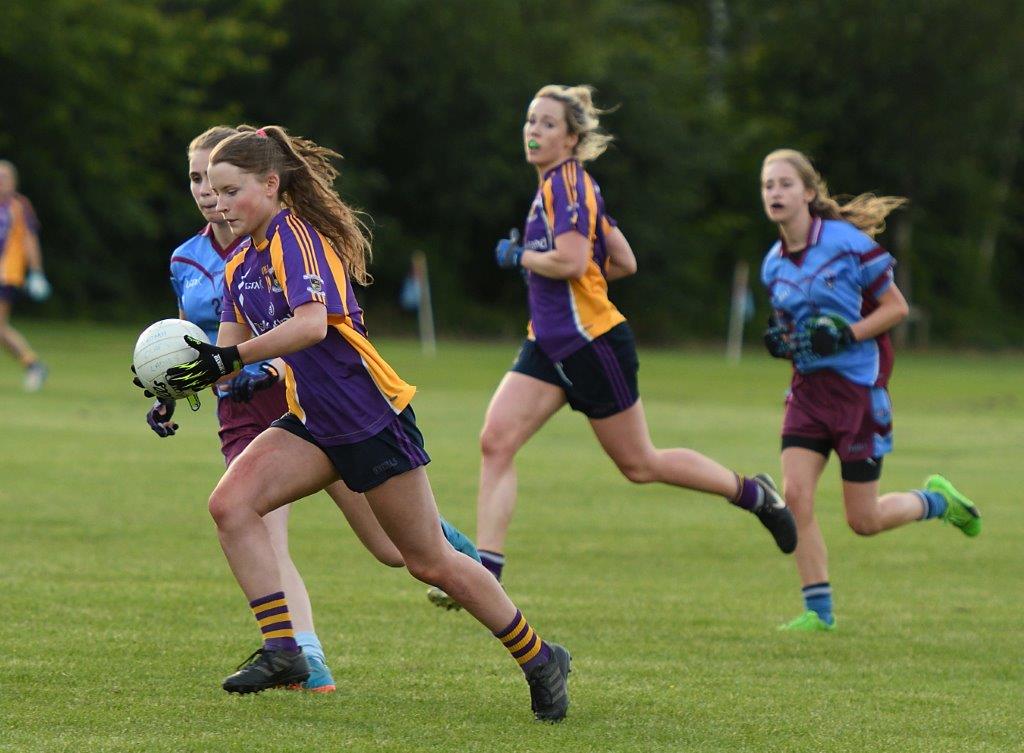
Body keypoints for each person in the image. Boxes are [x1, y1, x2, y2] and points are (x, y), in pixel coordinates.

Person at [157, 125, 571, 721]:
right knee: (231, 505)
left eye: (231, 190)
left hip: (367, 415)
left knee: (426, 560)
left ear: (271, 186)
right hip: (312, 422)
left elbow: (311, 326)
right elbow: (222, 357)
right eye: (211, 191)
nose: (219, 203)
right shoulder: (241, 263)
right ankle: (284, 650)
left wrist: (235, 359)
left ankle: (539, 657)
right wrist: (175, 384)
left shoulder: (294, 238)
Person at [469, 85, 797, 590]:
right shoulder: (560, 187)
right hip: (549, 344)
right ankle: (486, 572)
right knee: (496, 441)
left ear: (572, 138)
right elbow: (622, 260)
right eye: (531, 121)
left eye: (547, 124)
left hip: (591, 344)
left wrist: (521, 257)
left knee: (640, 464)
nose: (534, 131)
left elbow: (575, 262)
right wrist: (574, 276)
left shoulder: (567, 186)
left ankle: (755, 495)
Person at [758, 148, 981, 632]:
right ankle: (819, 613)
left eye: (784, 184)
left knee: (864, 521)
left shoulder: (845, 243)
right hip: (807, 395)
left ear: (808, 193)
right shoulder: (773, 263)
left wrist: (846, 333)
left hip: (858, 393)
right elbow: (792, 324)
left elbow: (896, 307)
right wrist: (784, 339)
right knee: (796, 498)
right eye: (767, 185)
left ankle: (937, 501)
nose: (774, 192)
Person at [0, 160, 51, 391]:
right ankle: (33, 364)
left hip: (7, 274)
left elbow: (29, 240)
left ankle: (33, 365)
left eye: (5, 178)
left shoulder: (18, 206)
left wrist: (36, 271)